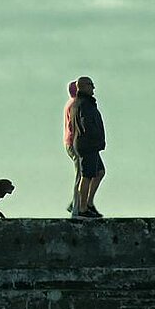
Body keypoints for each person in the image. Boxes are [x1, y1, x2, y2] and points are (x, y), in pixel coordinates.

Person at [69, 75, 106, 218]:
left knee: (99, 172)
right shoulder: (83, 104)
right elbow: (87, 124)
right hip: (87, 144)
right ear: (83, 86)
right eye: (91, 85)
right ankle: (82, 208)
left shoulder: (83, 103)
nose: (93, 88)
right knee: (87, 176)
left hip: (89, 144)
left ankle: (88, 204)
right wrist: (94, 137)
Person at [62, 79, 80, 215]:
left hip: (69, 142)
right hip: (75, 143)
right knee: (81, 175)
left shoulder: (70, 103)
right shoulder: (75, 105)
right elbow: (74, 126)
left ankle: (74, 204)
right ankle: (75, 209)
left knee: (85, 174)